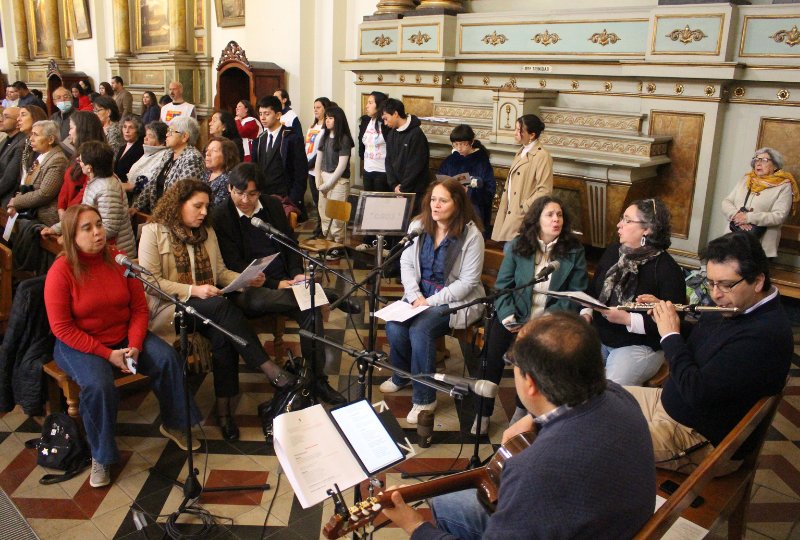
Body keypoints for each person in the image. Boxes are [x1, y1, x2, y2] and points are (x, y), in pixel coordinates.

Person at [384, 313, 656, 539]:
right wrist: (534, 419)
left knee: (445, 505)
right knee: (448, 500)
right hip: (615, 520)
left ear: (531, 384)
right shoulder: (620, 396)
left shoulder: (533, 470)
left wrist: (416, 527)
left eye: (513, 364)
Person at [44, 204, 201, 488]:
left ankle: (175, 423)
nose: (97, 232)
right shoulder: (61, 271)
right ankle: (101, 455)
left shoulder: (118, 260)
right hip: (79, 343)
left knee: (167, 358)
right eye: (87, 228)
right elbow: (62, 328)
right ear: (71, 236)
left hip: (124, 335)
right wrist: (107, 354)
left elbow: (139, 309)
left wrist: (135, 345)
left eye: (99, 224)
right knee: (98, 385)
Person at [138, 179, 298, 441]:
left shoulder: (207, 232)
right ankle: (270, 369)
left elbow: (221, 272)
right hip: (169, 309)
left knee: (223, 336)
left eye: (207, 206)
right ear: (178, 204)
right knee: (222, 307)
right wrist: (194, 290)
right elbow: (151, 283)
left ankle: (224, 412)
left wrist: (246, 279)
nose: (204, 212)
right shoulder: (153, 232)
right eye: (197, 206)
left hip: (208, 308)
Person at [631, 232, 792, 474]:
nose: (716, 294)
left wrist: (670, 335)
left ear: (758, 281)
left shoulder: (764, 336)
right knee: (596, 398)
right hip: (670, 403)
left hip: (697, 438)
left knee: (598, 440)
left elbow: (697, 392)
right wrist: (668, 318)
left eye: (726, 285)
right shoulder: (738, 306)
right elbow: (706, 339)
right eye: (711, 283)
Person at [212, 163, 346, 408]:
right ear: (229, 188)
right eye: (239, 193)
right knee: (264, 299)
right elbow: (233, 262)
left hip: (286, 283)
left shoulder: (272, 206)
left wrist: (295, 274)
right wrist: (275, 283)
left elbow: (289, 244)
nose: (245, 200)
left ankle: (317, 380)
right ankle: (320, 294)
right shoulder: (221, 216)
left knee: (311, 311)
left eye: (252, 194)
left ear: (259, 192)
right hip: (251, 287)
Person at [475, 196, 588, 434]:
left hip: (548, 321)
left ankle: (522, 409)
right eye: (550, 215)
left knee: (533, 359)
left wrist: (544, 322)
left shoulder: (574, 250)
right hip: (515, 315)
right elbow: (503, 287)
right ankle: (482, 411)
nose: (556, 220)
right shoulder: (519, 246)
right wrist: (507, 315)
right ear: (537, 219)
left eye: (559, 215)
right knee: (491, 354)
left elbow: (574, 294)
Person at [381, 179, 485, 424]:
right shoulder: (418, 225)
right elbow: (406, 263)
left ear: (457, 204)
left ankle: (424, 399)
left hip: (455, 299)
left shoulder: (472, 236)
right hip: (419, 294)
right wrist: (414, 294)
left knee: (421, 329)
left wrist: (430, 301)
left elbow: (468, 282)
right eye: (433, 199)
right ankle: (402, 376)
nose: (435, 205)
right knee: (394, 326)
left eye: (443, 201)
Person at [582, 198, 686, 386]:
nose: (619, 224)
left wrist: (628, 319)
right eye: (622, 218)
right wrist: (586, 313)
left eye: (627, 220)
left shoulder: (667, 270)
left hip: (641, 344)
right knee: (567, 374)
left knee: (609, 390)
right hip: (599, 334)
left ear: (647, 229)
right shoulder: (613, 251)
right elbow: (593, 291)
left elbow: (676, 323)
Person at [44, 140, 135, 256]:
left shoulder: (107, 188)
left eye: (80, 160)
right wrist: (56, 229)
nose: (79, 163)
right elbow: (82, 214)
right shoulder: (98, 181)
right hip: (101, 248)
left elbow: (110, 228)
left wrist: (71, 237)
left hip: (115, 253)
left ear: (89, 168)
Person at [721, 147, 799, 258]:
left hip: (761, 245)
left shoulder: (784, 186)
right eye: (757, 160)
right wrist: (737, 215)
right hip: (733, 238)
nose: (758, 163)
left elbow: (779, 216)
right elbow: (726, 202)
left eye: (764, 160)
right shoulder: (746, 179)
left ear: (775, 166)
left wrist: (748, 218)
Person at [492, 114, 552, 242]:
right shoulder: (521, 151)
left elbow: (545, 190)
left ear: (532, 135)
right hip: (510, 210)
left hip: (524, 215)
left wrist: (524, 206)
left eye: (519, 130)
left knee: (516, 246)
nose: (515, 133)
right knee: (508, 247)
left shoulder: (542, 156)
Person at [132, 116, 205, 213]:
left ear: (184, 137)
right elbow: (152, 182)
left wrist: (161, 214)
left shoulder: (193, 158)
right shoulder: (168, 153)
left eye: (171, 131)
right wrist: (136, 207)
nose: (167, 134)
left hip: (173, 214)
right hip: (157, 212)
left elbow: (181, 193)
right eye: (167, 131)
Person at [251, 95, 306, 216]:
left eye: (267, 114)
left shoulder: (291, 138)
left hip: (284, 197)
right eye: (260, 114)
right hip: (263, 197)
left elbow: (300, 172)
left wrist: (293, 200)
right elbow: (255, 169)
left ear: (278, 115)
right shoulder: (259, 140)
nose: (262, 118)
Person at [5, 120, 67, 227]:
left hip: (44, 220)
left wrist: (17, 202)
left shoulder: (58, 159)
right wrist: (15, 203)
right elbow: (27, 185)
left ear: (50, 139)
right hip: (30, 214)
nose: (31, 138)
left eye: (36, 135)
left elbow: (44, 194)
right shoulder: (41, 155)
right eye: (31, 134)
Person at [438, 125, 495, 233]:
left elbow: (489, 191)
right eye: (456, 144)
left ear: (471, 142)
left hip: (472, 210)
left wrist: (470, 191)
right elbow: (440, 179)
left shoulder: (481, 162)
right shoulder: (450, 160)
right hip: (451, 207)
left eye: (463, 144)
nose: (459, 148)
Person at [355, 91, 391, 251]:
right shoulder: (365, 121)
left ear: (379, 105)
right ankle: (368, 240)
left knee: (382, 208)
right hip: (368, 169)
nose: (367, 105)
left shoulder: (385, 122)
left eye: (370, 102)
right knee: (368, 206)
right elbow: (361, 143)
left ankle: (385, 242)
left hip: (383, 171)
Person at [314, 105, 353, 247]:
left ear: (338, 120)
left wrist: (328, 184)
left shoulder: (344, 139)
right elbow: (318, 162)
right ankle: (328, 241)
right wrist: (318, 182)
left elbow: (341, 167)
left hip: (338, 181)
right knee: (324, 212)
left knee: (337, 216)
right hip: (324, 179)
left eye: (331, 118)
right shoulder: (323, 137)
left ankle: (338, 243)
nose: (327, 120)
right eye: (326, 118)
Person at [382, 98, 430, 212]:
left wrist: (403, 188)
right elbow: (388, 160)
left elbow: (415, 166)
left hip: (414, 191)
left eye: (386, 118)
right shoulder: (391, 134)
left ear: (395, 114)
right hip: (397, 190)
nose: (385, 123)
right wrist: (394, 185)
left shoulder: (416, 135)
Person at [55, 111, 106, 216]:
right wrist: (61, 208)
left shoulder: (96, 157)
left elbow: (87, 191)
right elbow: (66, 186)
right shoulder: (78, 153)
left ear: (82, 130)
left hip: (79, 213)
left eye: (71, 128)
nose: (69, 132)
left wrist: (67, 213)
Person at [127, 121, 171, 209]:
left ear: (162, 142)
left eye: (150, 136)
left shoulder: (164, 156)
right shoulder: (148, 153)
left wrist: (127, 186)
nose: (145, 138)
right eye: (146, 135)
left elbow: (150, 181)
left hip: (146, 205)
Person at [304, 96, 330, 237]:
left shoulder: (326, 128)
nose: (315, 110)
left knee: (321, 201)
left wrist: (309, 164)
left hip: (318, 168)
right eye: (314, 107)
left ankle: (322, 228)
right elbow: (307, 146)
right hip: (309, 169)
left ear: (326, 108)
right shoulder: (312, 126)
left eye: (318, 107)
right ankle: (319, 226)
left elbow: (322, 149)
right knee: (315, 200)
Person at [203, 136, 240, 206]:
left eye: (214, 151)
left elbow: (218, 207)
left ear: (227, 155)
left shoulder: (229, 179)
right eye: (207, 150)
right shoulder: (207, 173)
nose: (207, 154)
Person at [0, 107, 24, 205]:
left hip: (7, 198)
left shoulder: (21, 144)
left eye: (6, 117)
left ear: (18, 123)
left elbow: (9, 179)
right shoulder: (6, 139)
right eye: (1, 116)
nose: (1, 119)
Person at [113, 113, 145, 185]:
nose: (127, 131)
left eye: (131, 127)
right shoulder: (122, 147)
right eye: (124, 127)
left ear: (138, 130)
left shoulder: (141, 149)